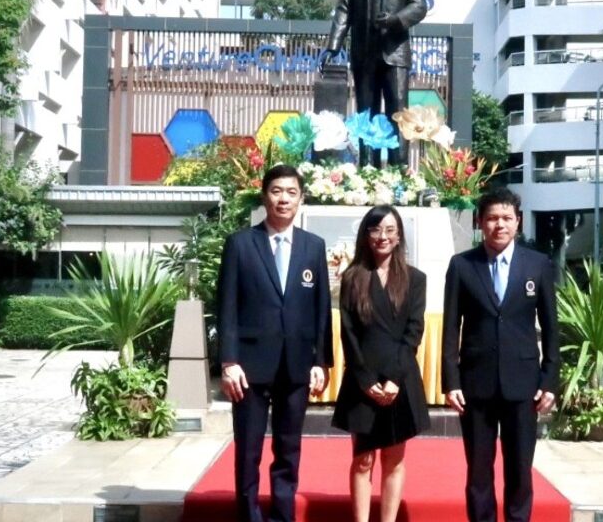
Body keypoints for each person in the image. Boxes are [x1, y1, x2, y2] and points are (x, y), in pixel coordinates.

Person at [217, 165, 334, 522]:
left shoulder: (313, 247)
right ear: (265, 195)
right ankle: (248, 514)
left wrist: (321, 361)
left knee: (288, 448)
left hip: (296, 364)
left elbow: (321, 308)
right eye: (277, 191)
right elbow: (227, 307)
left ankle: (283, 514)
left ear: (301, 198)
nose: (284, 199)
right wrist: (228, 361)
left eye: (291, 192)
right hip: (249, 367)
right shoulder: (240, 244)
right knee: (249, 449)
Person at [441, 187, 559, 522]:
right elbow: (451, 327)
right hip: (476, 385)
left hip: (524, 386)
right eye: (492, 218)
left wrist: (550, 381)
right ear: (480, 222)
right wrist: (451, 381)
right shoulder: (462, 265)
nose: (499, 225)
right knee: (478, 472)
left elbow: (551, 327)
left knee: (520, 470)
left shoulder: (538, 265)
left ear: (518, 222)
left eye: (507, 218)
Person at [331, 205, 430, 522]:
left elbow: (414, 331)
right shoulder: (353, 278)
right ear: (366, 234)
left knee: (394, 459)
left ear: (399, 235)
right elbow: (348, 332)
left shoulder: (415, 279)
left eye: (389, 229)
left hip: (398, 379)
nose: (382, 236)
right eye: (375, 229)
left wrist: (394, 379)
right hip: (363, 381)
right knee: (362, 460)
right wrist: (364, 378)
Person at [322, 0, 428, 168]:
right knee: (365, 114)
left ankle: (399, 169)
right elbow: (343, 11)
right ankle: (368, 168)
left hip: (394, 53)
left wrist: (396, 20)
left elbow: (419, 6)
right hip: (364, 54)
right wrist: (333, 46)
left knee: (397, 114)